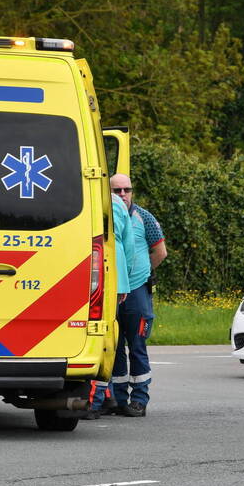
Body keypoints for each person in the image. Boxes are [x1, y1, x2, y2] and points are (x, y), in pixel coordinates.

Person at [106, 173, 167, 417]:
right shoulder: (106, 216)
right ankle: (119, 399)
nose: (123, 194)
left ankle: (139, 399)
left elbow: (160, 252)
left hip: (137, 291)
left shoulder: (144, 218)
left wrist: (142, 272)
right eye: (117, 190)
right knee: (114, 346)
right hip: (112, 291)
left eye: (127, 189)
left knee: (137, 345)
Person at [87, 190, 136, 419]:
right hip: (115, 279)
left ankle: (97, 399)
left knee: (99, 340)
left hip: (90, 277)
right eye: (118, 189)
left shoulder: (89, 197)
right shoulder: (118, 205)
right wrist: (124, 279)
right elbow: (129, 247)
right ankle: (107, 395)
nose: (122, 193)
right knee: (109, 338)